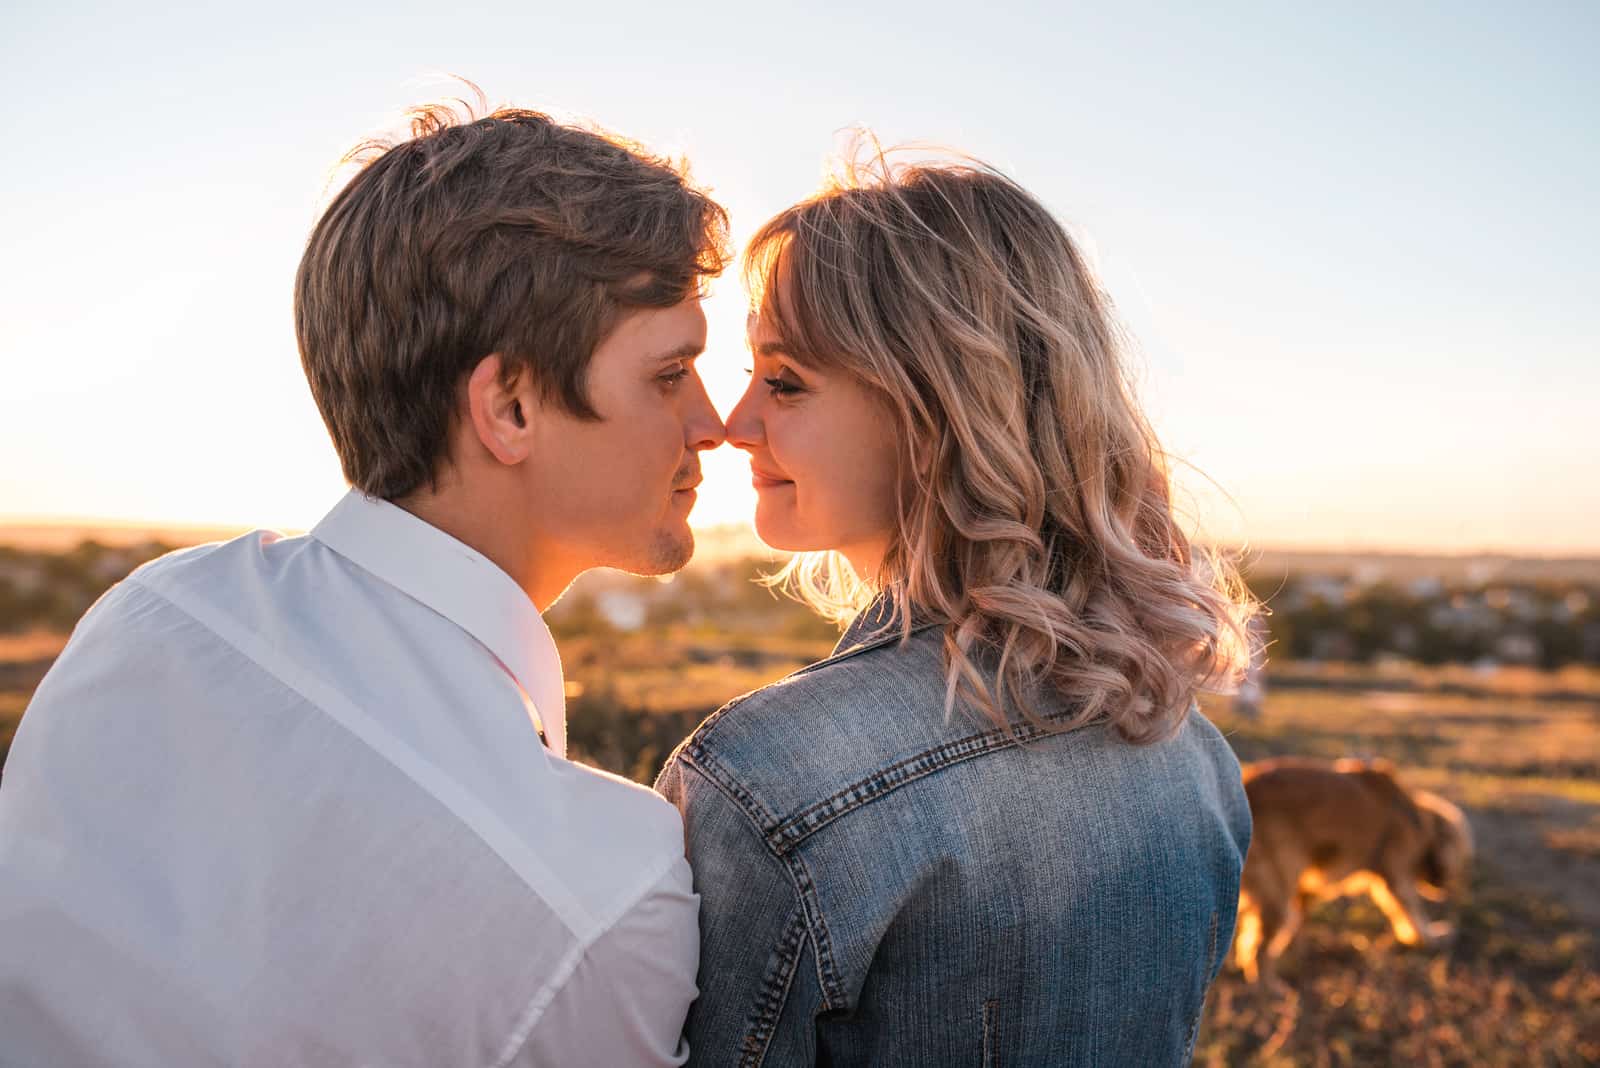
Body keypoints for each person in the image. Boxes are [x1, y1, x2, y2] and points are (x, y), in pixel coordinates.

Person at [0, 93, 728, 1066]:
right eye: (671, 373)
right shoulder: (592, 895)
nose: (713, 421)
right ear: (508, 406)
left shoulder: (151, 614)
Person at [656, 150, 1257, 1066]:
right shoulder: (1189, 753)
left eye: (784, 380)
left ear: (934, 410)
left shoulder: (771, 783)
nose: (737, 422)